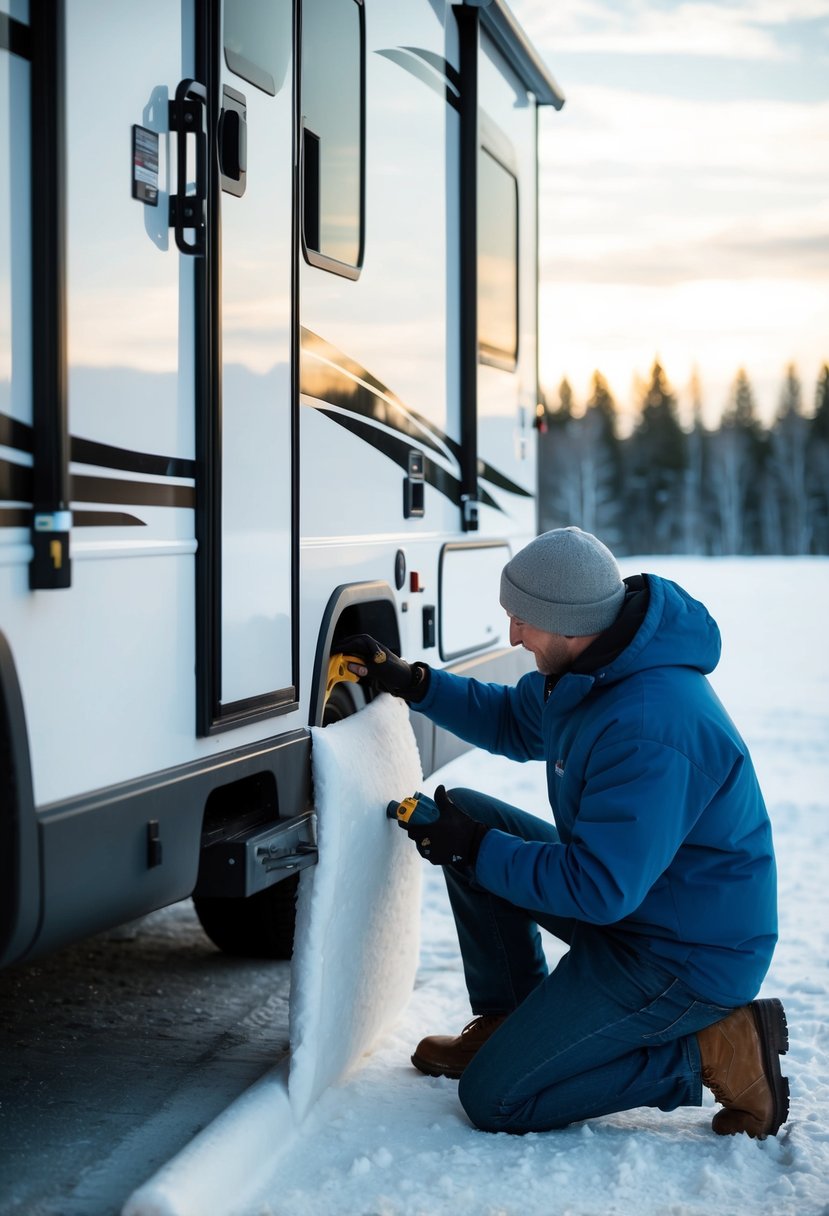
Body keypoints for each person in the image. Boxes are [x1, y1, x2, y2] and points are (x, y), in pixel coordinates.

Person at [341, 526, 789, 1139]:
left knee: (496, 1098)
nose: (513, 635)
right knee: (473, 812)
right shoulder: (593, 670)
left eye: (523, 620)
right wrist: (413, 682)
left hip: (683, 959)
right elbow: (509, 718)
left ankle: (712, 1051)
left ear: (569, 622)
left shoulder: (652, 726)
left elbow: (598, 888)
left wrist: (471, 845)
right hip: (639, 912)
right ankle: (512, 1020)